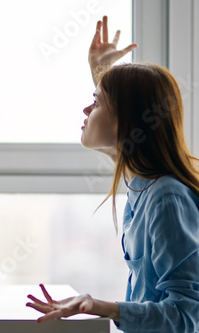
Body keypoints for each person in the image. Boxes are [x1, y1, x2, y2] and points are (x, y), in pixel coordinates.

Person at [26, 16, 199, 332]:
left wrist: (98, 306)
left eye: (95, 102)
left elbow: (187, 317)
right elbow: (124, 116)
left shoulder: (166, 198)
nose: (85, 111)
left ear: (126, 122)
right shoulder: (142, 184)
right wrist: (101, 76)